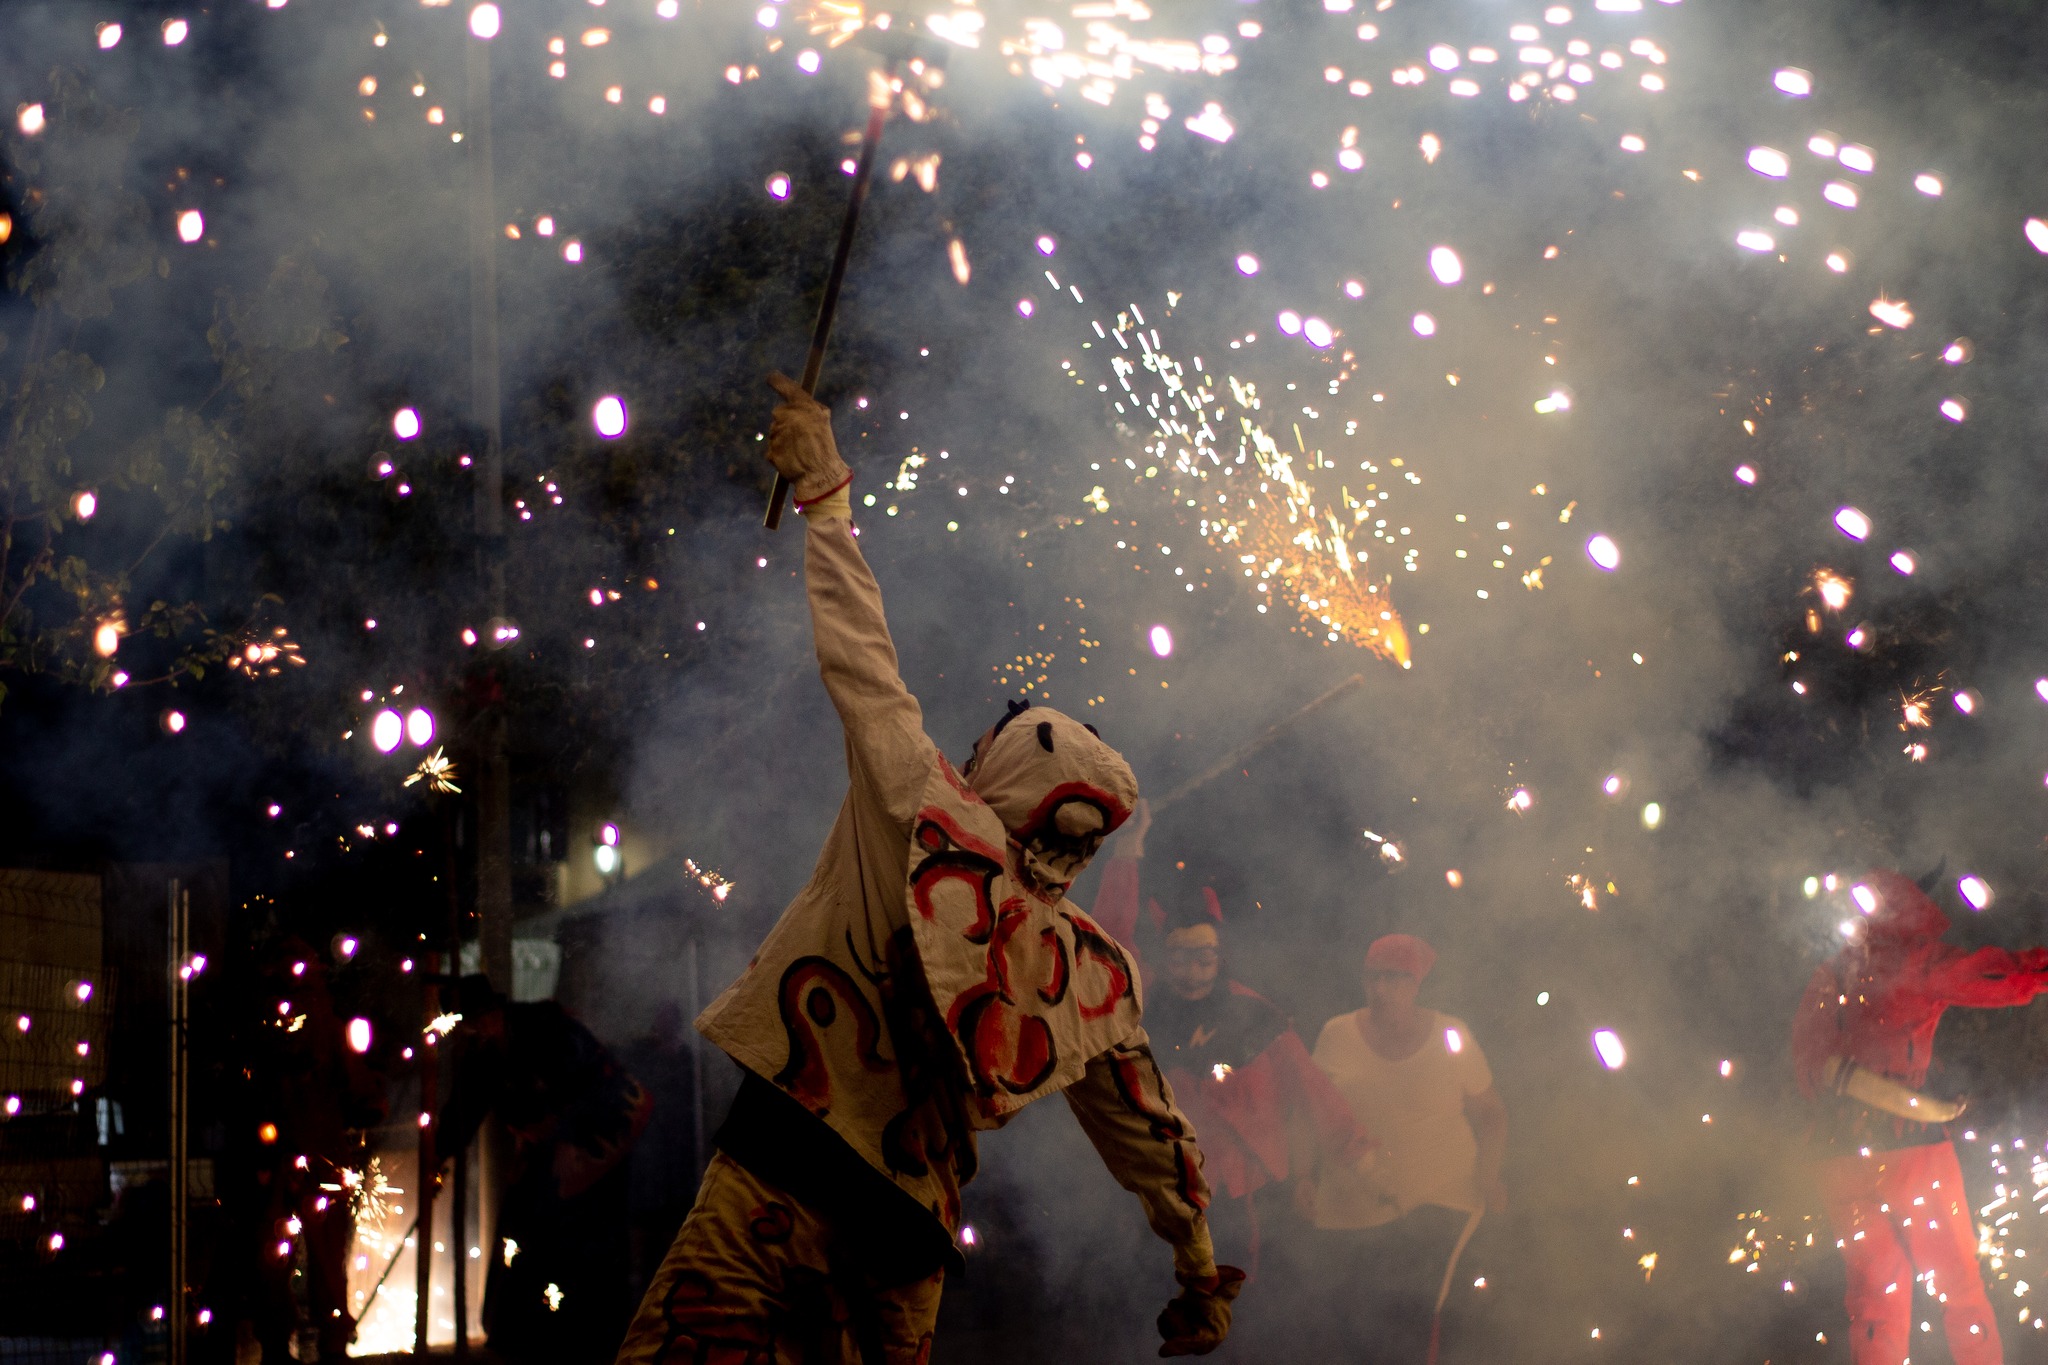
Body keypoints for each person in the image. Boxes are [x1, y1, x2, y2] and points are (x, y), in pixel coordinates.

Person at [613, 374, 1241, 1365]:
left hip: (777, 1172)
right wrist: (1196, 1265)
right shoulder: (1093, 972)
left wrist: (825, 494)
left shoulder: (920, 804)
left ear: (1004, 767)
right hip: (904, 1232)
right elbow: (1150, 1134)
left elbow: (859, 656)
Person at [1089, 799, 1367, 1291]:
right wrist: (1127, 851)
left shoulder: (1253, 1014)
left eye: (1204, 959)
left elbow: (1311, 1088)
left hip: (1249, 1195)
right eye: (1179, 959)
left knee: (1245, 1300)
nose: (1192, 973)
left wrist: (1355, 1149)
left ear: (1220, 958)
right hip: (1165, 1188)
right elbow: (1107, 940)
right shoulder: (1145, 1003)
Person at [1791, 868, 2048, 1365]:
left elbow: (1808, 1064)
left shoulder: (1832, 972)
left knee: (1875, 1304)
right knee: (1961, 1291)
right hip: (1910, 1148)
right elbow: (1989, 976)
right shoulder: (1910, 959)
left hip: (1838, 1157)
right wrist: (2039, 969)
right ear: (1912, 906)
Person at [1297, 934, 1507, 1365]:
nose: (1381, 989)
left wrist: (1489, 1176)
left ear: (1416, 983)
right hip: (1352, 1202)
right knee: (1353, 1330)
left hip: (1440, 1197)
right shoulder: (1337, 1034)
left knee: (1411, 1324)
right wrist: (1303, 1176)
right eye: (1373, 977)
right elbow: (1308, 1112)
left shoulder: (1451, 1034)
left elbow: (1491, 1113)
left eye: (1394, 979)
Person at [435, 977, 653, 1365]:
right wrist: (437, 1157)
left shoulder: (549, 1029)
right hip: (547, 1144)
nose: (475, 1031)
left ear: (495, 1013)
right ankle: (518, 1334)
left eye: (479, 1021)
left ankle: (593, 1338)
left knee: (587, 1238)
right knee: (521, 1226)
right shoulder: (482, 1053)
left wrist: (567, 1133)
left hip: (602, 1131)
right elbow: (463, 1110)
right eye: (467, 1026)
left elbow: (592, 1083)